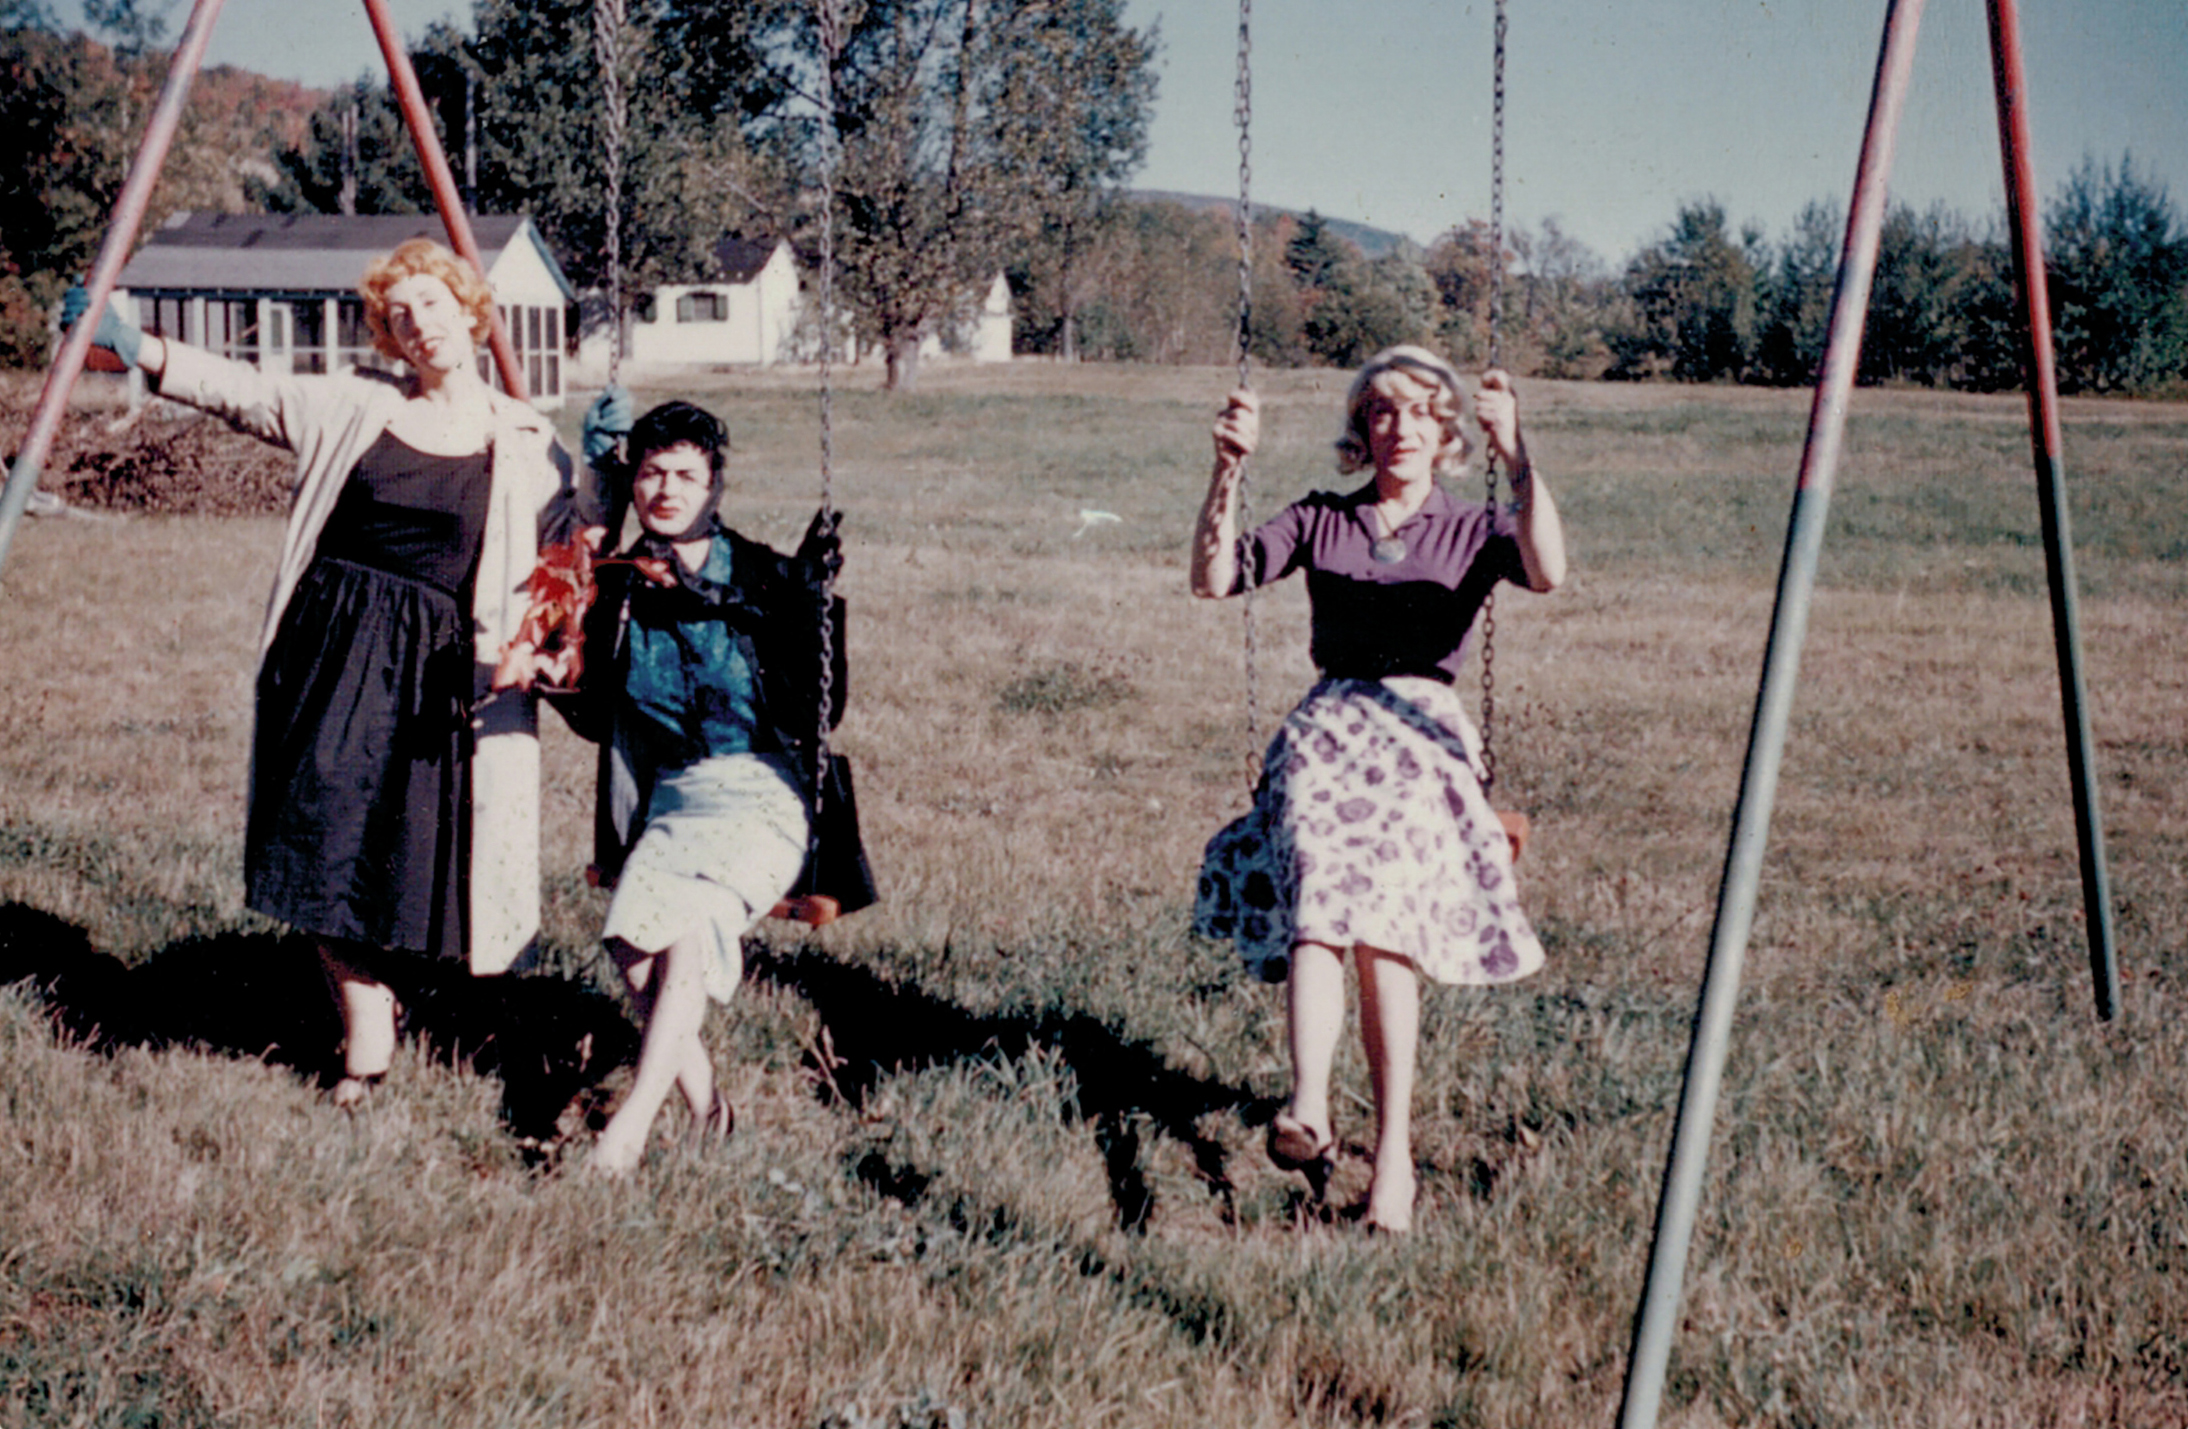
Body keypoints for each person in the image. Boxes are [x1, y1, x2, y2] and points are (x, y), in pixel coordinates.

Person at [62, 240, 594, 1108]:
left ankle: (427, 998)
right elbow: (242, 389)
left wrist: (605, 461)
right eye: (399, 316)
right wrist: (134, 342)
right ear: (389, 337)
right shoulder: (350, 404)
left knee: (409, 849)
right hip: (330, 647)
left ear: (469, 311)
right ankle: (367, 1031)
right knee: (315, 836)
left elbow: (572, 555)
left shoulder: (531, 441)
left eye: (432, 304)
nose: (419, 324)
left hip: (443, 667)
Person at [1188, 344, 1566, 1234]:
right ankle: (1309, 1107)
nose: (1399, 429)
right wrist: (1225, 471)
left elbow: (1548, 569)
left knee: (1385, 927)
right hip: (1330, 728)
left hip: (1424, 736)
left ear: (1446, 435)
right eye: (1381, 413)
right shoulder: (1321, 518)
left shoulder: (1473, 526)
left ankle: (1392, 1158)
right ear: (1362, 430)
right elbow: (1213, 578)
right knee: (1322, 880)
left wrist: (1519, 457)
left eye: (1420, 414)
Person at [498, 395, 853, 1174]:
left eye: (685, 474)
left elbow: (820, 706)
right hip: (672, 799)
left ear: (712, 483)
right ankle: (711, 1110)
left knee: (684, 926)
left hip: (762, 794)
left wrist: (811, 605)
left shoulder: (760, 570)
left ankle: (627, 1130)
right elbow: (595, 716)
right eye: (652, 472)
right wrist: (554, 673)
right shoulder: (617, 587)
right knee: (631, 948)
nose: (665, 488)